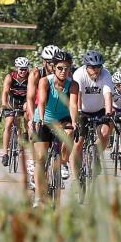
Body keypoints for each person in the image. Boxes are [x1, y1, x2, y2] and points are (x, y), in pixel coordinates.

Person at [33, 50, 79, 199]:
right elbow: (42, 101)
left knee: (70, 132)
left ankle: (63, 163)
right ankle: (39, 197)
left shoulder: (73, 85)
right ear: (53, 67)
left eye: (67, 68)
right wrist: (40, 119)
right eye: (60, 68)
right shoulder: (45, 81)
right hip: (44, 118)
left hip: (63, 119)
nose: (63, 71)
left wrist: (74, 121)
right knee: (40, 158)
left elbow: (73, 104)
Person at [72, 50, 114, 176]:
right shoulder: (79, 74)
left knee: (106, 131)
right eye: (93, 67)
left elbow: (108, 95)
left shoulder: (106, 74)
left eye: (99, 66)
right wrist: (78, 113)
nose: (96, 70)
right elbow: (77, 95)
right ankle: (75, 177)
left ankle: (96, 154)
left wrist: (108, 114)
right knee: (78, 142)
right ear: (86, 67)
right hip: (82, 111)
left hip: (99, 110)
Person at [26, 45, 58, 174]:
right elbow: (30, 98)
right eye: (51, 63)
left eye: (56, 62)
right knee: (33, 129)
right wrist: (33, 119)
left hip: (55, 108)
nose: (54, 66)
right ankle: (32, 160)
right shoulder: (36, 73)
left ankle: (62, 163)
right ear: (44, 62)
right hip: (39, 105)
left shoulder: (62, 72)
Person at [0, 56, 30, 167]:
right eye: (21, 69)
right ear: (17, 68)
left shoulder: (30, 77)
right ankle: (5, 154)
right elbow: (5, 92)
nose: (23, 71)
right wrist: (4, 104)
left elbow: (32, 93)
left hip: (25, 100)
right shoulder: (10, 77)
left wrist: (28, 103)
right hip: (12, 101)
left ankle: (26, 133)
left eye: (25, 69)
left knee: (27, 114)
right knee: (9, 123)